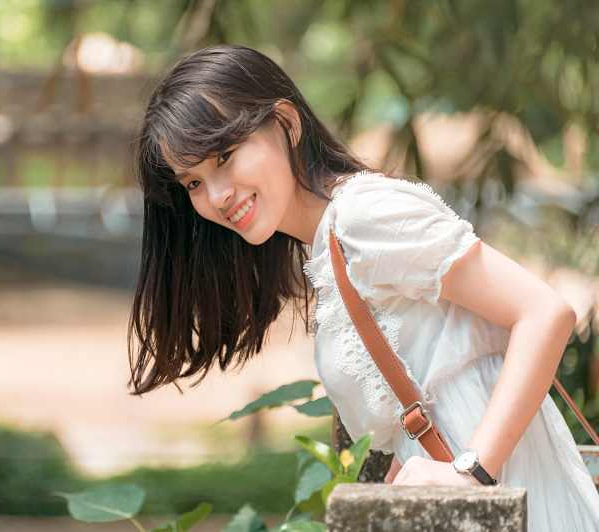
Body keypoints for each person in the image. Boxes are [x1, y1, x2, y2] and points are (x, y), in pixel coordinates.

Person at [126, 44, 599, 530]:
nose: (217, 196)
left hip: (502, 493)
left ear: (286, 123)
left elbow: (544, 312)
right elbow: (422, 405)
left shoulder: (361, 216)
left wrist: (472, 472)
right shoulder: (329, 244)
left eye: (224, 156)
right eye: (193, 183)